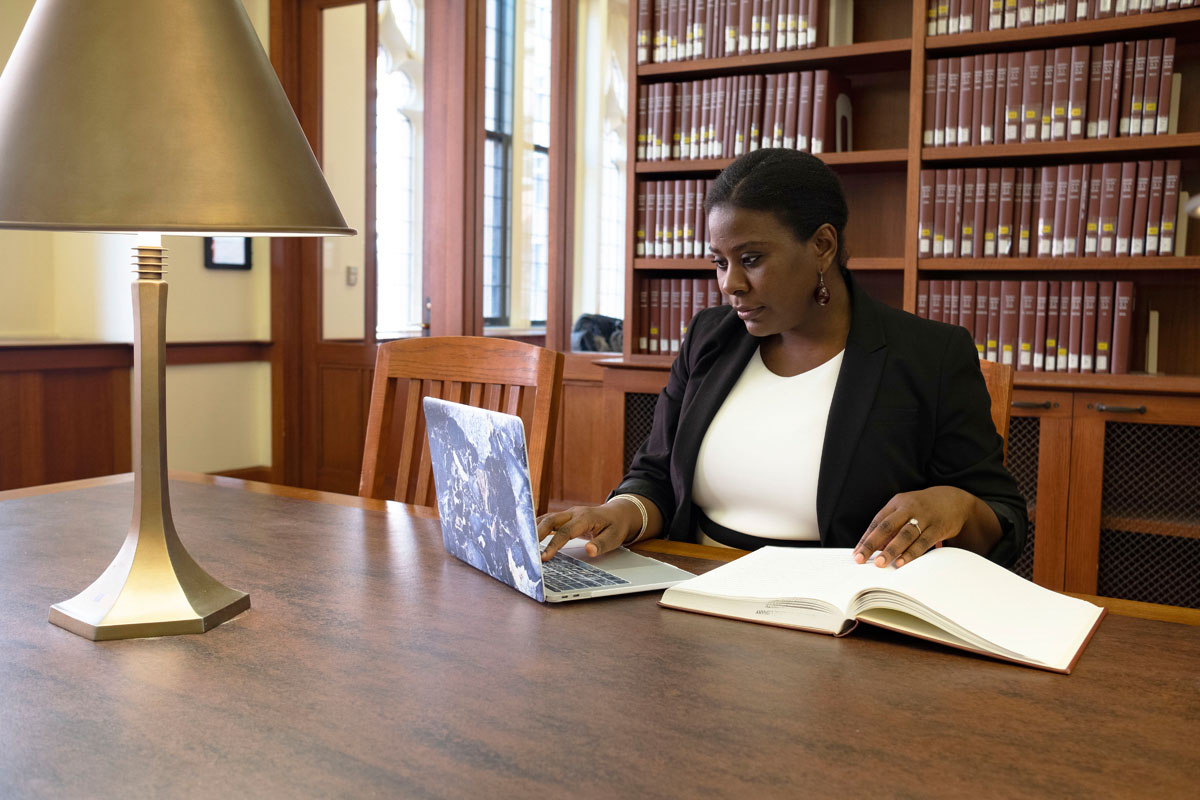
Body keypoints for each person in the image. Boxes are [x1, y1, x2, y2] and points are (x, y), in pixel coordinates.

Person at [539, 148, 1026, 570]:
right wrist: (622, 512)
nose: (730, 284)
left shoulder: (929, 355)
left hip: (843, 614)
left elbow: (1002, 518)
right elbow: (656, 474)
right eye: (719, 261)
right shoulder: (711, 338)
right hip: (691, 592)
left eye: (751, 259)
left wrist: (954, 503)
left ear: (822, 246)